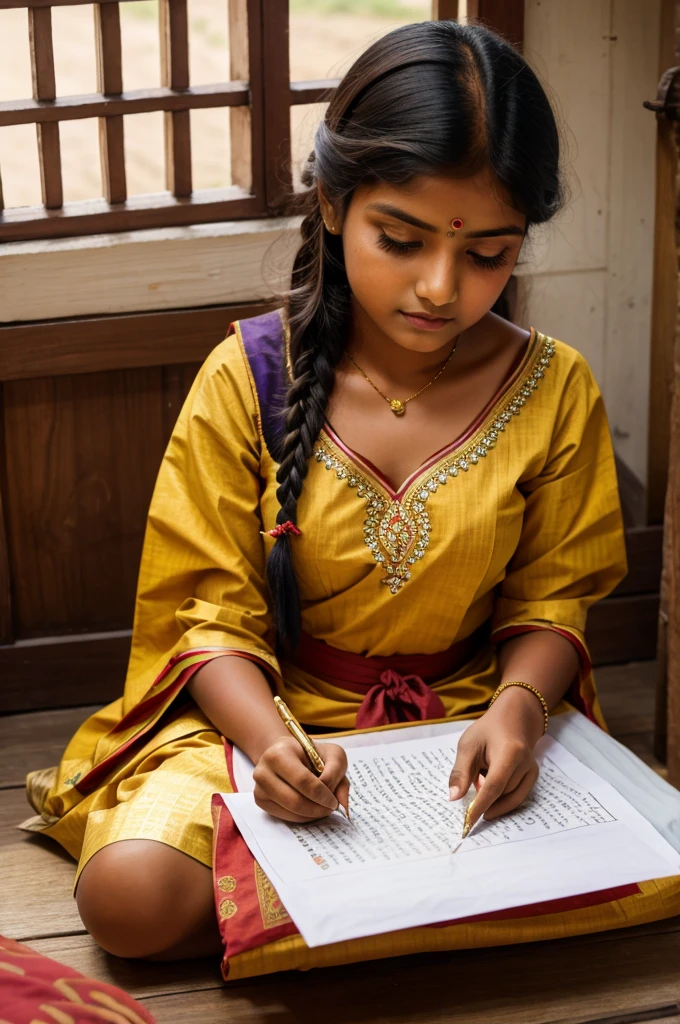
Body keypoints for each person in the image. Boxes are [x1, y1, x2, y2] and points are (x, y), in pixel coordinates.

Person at [23, 19, 626, 963]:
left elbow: (553, 598)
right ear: (336, 202)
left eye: (487, 255)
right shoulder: (247, 378)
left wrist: (519, 707)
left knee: (632, 880)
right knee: (131, 901)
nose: (439, 288)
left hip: (466, 715)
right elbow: (207, 617)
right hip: (265, 710)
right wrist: (272, 749)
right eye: (402, 238)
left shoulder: (554, 387)